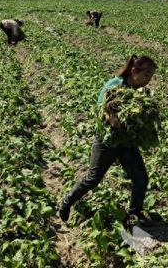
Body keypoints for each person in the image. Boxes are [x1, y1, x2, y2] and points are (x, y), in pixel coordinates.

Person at [58, 55, 157, 226]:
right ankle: (67, 201)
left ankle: (135, 212)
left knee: (140, 178)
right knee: (93, 178)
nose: (149, 80)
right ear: (134, 71)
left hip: (127, 141)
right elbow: (100, 107)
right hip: (107, 140)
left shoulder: (141, 92)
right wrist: (109, 117)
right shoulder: (115, 85)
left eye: (151, 76)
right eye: (147, 74)